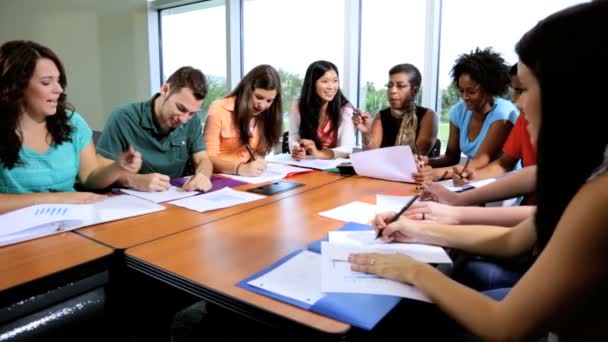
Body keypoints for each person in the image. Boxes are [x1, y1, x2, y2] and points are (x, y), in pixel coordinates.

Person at [350, 2, 608, 340]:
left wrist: (413, 270)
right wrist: (415, 230)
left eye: (525, 89)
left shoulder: (599, 197)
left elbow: (506, 326)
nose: (518, 102)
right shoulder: (593, 172)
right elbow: (514, 238)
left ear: (571, 95)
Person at [0, 40, 141, 214]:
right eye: (46, 83)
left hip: (67, 222)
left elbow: (89, 177)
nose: (58, 89)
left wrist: (118, 167)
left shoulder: (72, 122)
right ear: (15, 87)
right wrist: (55, 199)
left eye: (59, 81)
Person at [96, 66, 213, 193]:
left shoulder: (193, 121)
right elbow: (99, 170)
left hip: (176, 199)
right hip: (131, 201)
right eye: (181, 108)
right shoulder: (123, 117)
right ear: (165, 90)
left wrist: (203, 175)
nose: (184, 120)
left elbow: (202, 159)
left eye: (192, 113)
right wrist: (135, 180)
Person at [413, 48, 518, 183]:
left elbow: (481, 161)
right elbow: (451, 157)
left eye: (471, 91)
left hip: (503, 182)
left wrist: (440, 173)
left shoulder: (503, 114)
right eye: (461, 91)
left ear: (489, 88)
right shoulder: (458, 112)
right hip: (470, 177)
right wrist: (427, 162)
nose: (465, 97)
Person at [453, 64, 536, 190]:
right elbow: (504, 163)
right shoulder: (523, 120)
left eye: (521, 91)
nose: (514, 99)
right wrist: (474, 177)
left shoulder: (503, 113)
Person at [204, 65, 282, 176]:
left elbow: (258, 152)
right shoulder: (218, 108)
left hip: (247, 179)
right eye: (259, 97)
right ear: (247, 90)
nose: (262, 105)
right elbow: (207, 157)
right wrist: (239, 169)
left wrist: (258, 160)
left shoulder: (265, 115)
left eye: (269, 101)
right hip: (219, 178)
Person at [352, 63, 437, 155]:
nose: (392, 91)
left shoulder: (428, 115)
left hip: (415, 169)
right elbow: (369, 155)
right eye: (390, 85)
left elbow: (417, 156)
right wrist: (366, 132)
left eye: (400, 86)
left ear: (414, 90)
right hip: (382, 168)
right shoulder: (381, 115)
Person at [289, 60, 354, 160]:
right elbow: (293, 136)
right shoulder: (298, 105)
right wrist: (297, 149)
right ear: (312, 84)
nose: (331, 87)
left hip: (333, 168)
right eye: (325, 81)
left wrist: (319, 154)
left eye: (335, 81)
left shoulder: (345, 109)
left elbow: (347, 148)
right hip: (307, 164)